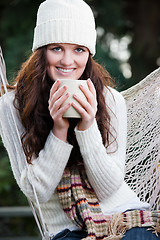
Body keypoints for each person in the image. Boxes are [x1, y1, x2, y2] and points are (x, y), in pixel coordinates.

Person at [0, 0, 159, 239]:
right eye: (56, 48)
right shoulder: (12, 106)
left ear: (89, 54)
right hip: (66, 230)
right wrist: (59, 129)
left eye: (78, 49)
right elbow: (37, 192)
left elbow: (108, 188)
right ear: (41, 51)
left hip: (123, 217)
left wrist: (87, 126)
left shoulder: (110, 100)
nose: (67, 61)